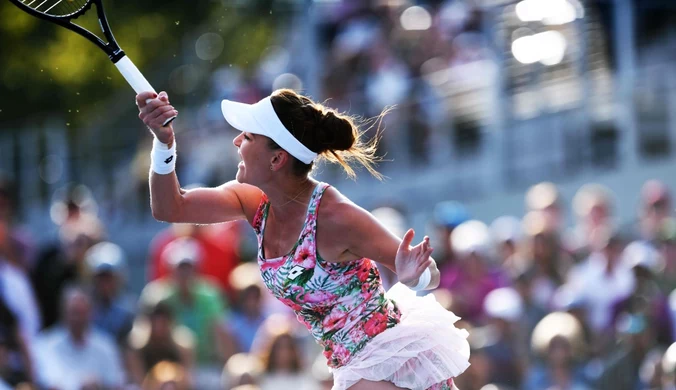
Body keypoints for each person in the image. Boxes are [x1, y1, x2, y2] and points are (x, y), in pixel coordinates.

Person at [136, 88, 470, 390]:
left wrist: (416, 274)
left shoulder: (335, 215)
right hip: (352, 369)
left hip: (388, 366)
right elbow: (169, 207)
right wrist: (164, 143)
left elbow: (429, 273)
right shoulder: (252, 201)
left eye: (248, 137)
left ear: (277, 159)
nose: (236, 142)